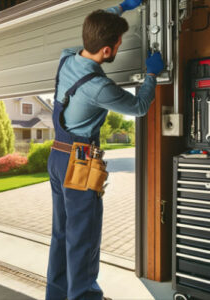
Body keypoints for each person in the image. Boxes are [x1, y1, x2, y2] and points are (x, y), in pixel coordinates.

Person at [45, 0, 164, 299]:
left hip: (57, 157)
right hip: (79, 165)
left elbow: (98, 23)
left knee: (62, 236)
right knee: (83, 239)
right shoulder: (99, 87)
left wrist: (122, 6)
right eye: (119, 44)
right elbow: (138, 106)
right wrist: (151, 76)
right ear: (107, 51)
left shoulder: (68, 57)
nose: (121, 47)